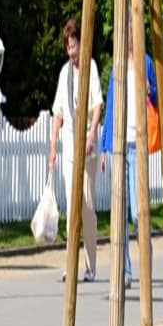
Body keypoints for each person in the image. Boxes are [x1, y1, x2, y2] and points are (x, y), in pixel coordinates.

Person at [47, 16, 101, 286]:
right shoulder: (64, 73)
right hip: (69, 147)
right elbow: (58, 111)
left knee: (87, 206)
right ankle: (71, 263)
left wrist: (92, 133)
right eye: (68, 46)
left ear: (82, 43)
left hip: (88, 149)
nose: (72, 51)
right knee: (72, 206)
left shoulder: (90, 67)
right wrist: (53, 144)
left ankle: (91, 265)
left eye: (74, 45)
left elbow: (97, 105)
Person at [101, 42, 159, 289]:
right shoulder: (117, 67)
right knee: (121, 214)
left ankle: (146, 261)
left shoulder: (145, 62)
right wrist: (105, 146)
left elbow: (158, 96)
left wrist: (150, 89)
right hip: (119, 146)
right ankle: (125, 270)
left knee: (138, 213)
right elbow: (111, 106)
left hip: (137, 145)